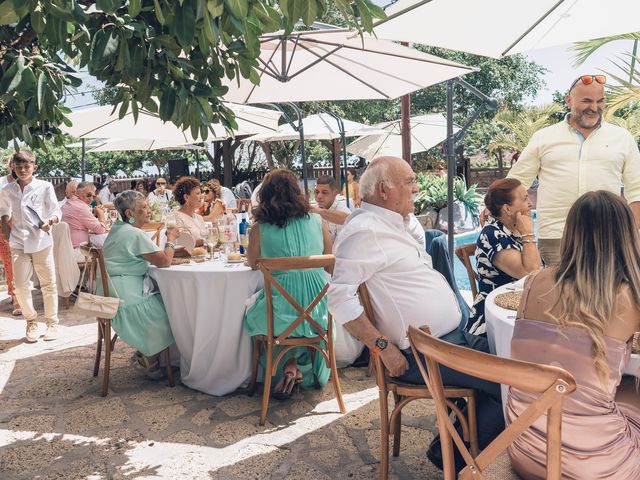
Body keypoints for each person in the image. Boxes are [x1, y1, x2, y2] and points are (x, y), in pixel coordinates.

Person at [328, 156, 504, 469]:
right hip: (422, 354)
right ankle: (452, 455)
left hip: (447, 341)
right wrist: (382, 347)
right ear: (384, 190)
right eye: (409, 181)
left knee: (515, 356)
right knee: (515, 382)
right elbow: (339, 299)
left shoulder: (392, 223)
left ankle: (459, 441)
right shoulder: (364, 231)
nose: (416, 187)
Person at [507, 190, 640, 479]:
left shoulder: (534, 281)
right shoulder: (628, 298)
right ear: (627, 236)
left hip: (525, 448)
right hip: (593, 466)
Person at [507, 74, 640, 266]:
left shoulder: (622, 138)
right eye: (586, 101)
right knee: (558, 296)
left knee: (606, 296)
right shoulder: (543, 137)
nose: (594, 108)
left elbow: (637, 192)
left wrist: (627, 236)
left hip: (608, 238)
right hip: (556, 238)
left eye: (600, 101)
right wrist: (494, 206)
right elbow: (517, 183)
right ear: (569, 100)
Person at [244, 168, 333, 398]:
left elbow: (252, 263)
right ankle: (293, 366)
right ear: (297, 192)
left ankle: (286, 368)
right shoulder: (317, 221)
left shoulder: (259, 229)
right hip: (317, 312)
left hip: (281, 314)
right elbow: (328, 261)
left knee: (260, 314)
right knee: (297, 314)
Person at [101, 190, 179, 378]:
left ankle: (148, 353)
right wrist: (171, 240)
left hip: (110, 290)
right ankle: (149, 359)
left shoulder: (118, 229)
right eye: (144, 208)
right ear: (130, 214)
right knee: (171, 307)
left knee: (166, 300)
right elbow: (164, 262)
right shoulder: (133, 234)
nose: (149, 211)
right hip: (123, 298)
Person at [465, 178, 542, 336]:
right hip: (492, 322)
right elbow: (531, 273)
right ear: (507, 208)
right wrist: (528, 234)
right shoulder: (492, 235)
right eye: (524, 198)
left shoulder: (514, 229)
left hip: (521, 309)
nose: (531, 203)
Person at [0, 151, 61, 343]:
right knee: (19, 286)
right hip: (18, 242)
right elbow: (3, 210)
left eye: (27, 166)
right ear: (13, 168)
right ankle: (31, 321)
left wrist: (49, 221)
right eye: (19, 167)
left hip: (42, 241)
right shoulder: (8, 189)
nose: (23, 170)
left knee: (48, 284)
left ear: (34, 167)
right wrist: (6, 230)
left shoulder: (45, 186)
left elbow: (56, 211)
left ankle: (52, 323)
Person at [61, 181, 107, 257]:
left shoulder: (69, 203)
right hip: (77, 251)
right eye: (88, 195)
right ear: (77, 193)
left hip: (66, 249)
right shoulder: (81, 208)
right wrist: (101, 213)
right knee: (107, 249)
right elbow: (101, 230)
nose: (91, 199)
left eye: (93, 196)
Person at [0, 157, 21, 316]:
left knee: (14, 262)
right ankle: (15, 297)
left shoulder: (28, 182)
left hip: (20, 226)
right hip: (3, 226)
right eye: (15, 164)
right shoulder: (2, 183)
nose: (18, 167)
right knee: (9, 262)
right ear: (10, 165)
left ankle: (17, 296)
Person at [310, 175, 351, 242]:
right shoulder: (314, 209)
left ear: (334, 193)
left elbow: (342, 244)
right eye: (317, 192)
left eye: (324, 192)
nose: (319, 196)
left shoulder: (343, 211)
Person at [173, 176, 206, 246]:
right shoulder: (176, 217)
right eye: (197, 193)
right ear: (186, 197)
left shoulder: (199, 218)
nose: (201, 196)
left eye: (201, 193)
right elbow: (183, 243)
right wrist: (207, 241)